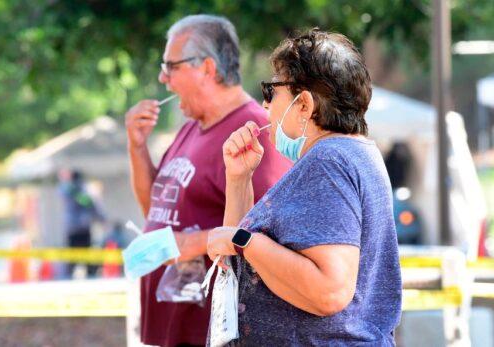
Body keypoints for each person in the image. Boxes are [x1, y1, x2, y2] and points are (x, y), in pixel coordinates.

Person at [207, 29, 402, 345]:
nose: (265, 104)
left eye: (272, 91)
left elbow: (330, 291)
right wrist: (239, 179)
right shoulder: (353, 154)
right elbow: (243, 261)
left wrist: (242, 240)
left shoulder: (330, 161)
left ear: (304, 104)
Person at [124, 15, 291, 347]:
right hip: (172, 327)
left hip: (214, 330)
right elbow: (156, 210)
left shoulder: (252, 131)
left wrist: (194, 243)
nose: (163, 78)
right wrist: (136, 145)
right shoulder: (191, 126)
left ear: (208, 68)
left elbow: (269, 235)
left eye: (170, 66)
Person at [58, 169, 106, 278]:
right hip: (82, 228)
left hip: (72, 228)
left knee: (74, 256)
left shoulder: (67, 190)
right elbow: (90, 204)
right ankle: (87, 275)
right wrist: (102, 219)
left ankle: (70, 275)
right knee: (83, 255)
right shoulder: (79, 191)